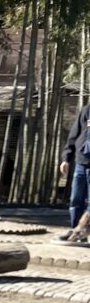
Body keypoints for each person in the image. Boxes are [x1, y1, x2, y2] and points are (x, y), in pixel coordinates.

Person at [57, 100, 90, 243]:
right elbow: (74, 134)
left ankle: (81, 230)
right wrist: (66, 158)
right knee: (76, 199)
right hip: (81, 161)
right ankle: (74, 228)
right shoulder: (87, 110)